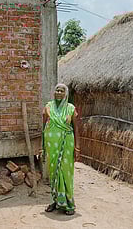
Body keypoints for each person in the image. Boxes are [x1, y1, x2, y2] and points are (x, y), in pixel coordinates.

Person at [41, 83, 80, 215]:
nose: (58, 92)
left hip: (66, 144)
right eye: (57, 90)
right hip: (51, 146)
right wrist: (42, 147)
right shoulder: (48, 107)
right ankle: (56, 200)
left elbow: (76, 128)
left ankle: (69, 204)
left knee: (65, 172)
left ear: (66, 93)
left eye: (61, 90)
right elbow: (43, 127)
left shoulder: (70, 108)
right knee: (53, 173)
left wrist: (77, 147)